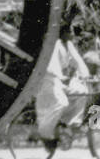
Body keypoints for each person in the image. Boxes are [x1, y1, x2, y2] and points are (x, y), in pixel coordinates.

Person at [35, 17, 92, 150]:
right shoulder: (55, 44)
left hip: (60, 80)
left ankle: (71, 125)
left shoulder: (69, 45)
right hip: (48, 80)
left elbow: (78, 61)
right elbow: (52, 65)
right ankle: (44, 133)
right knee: (62, 102)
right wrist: (62, 77)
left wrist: (86, 75)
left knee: (84, 92)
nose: (73, 33)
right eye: (70, 31)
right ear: (63, 33)